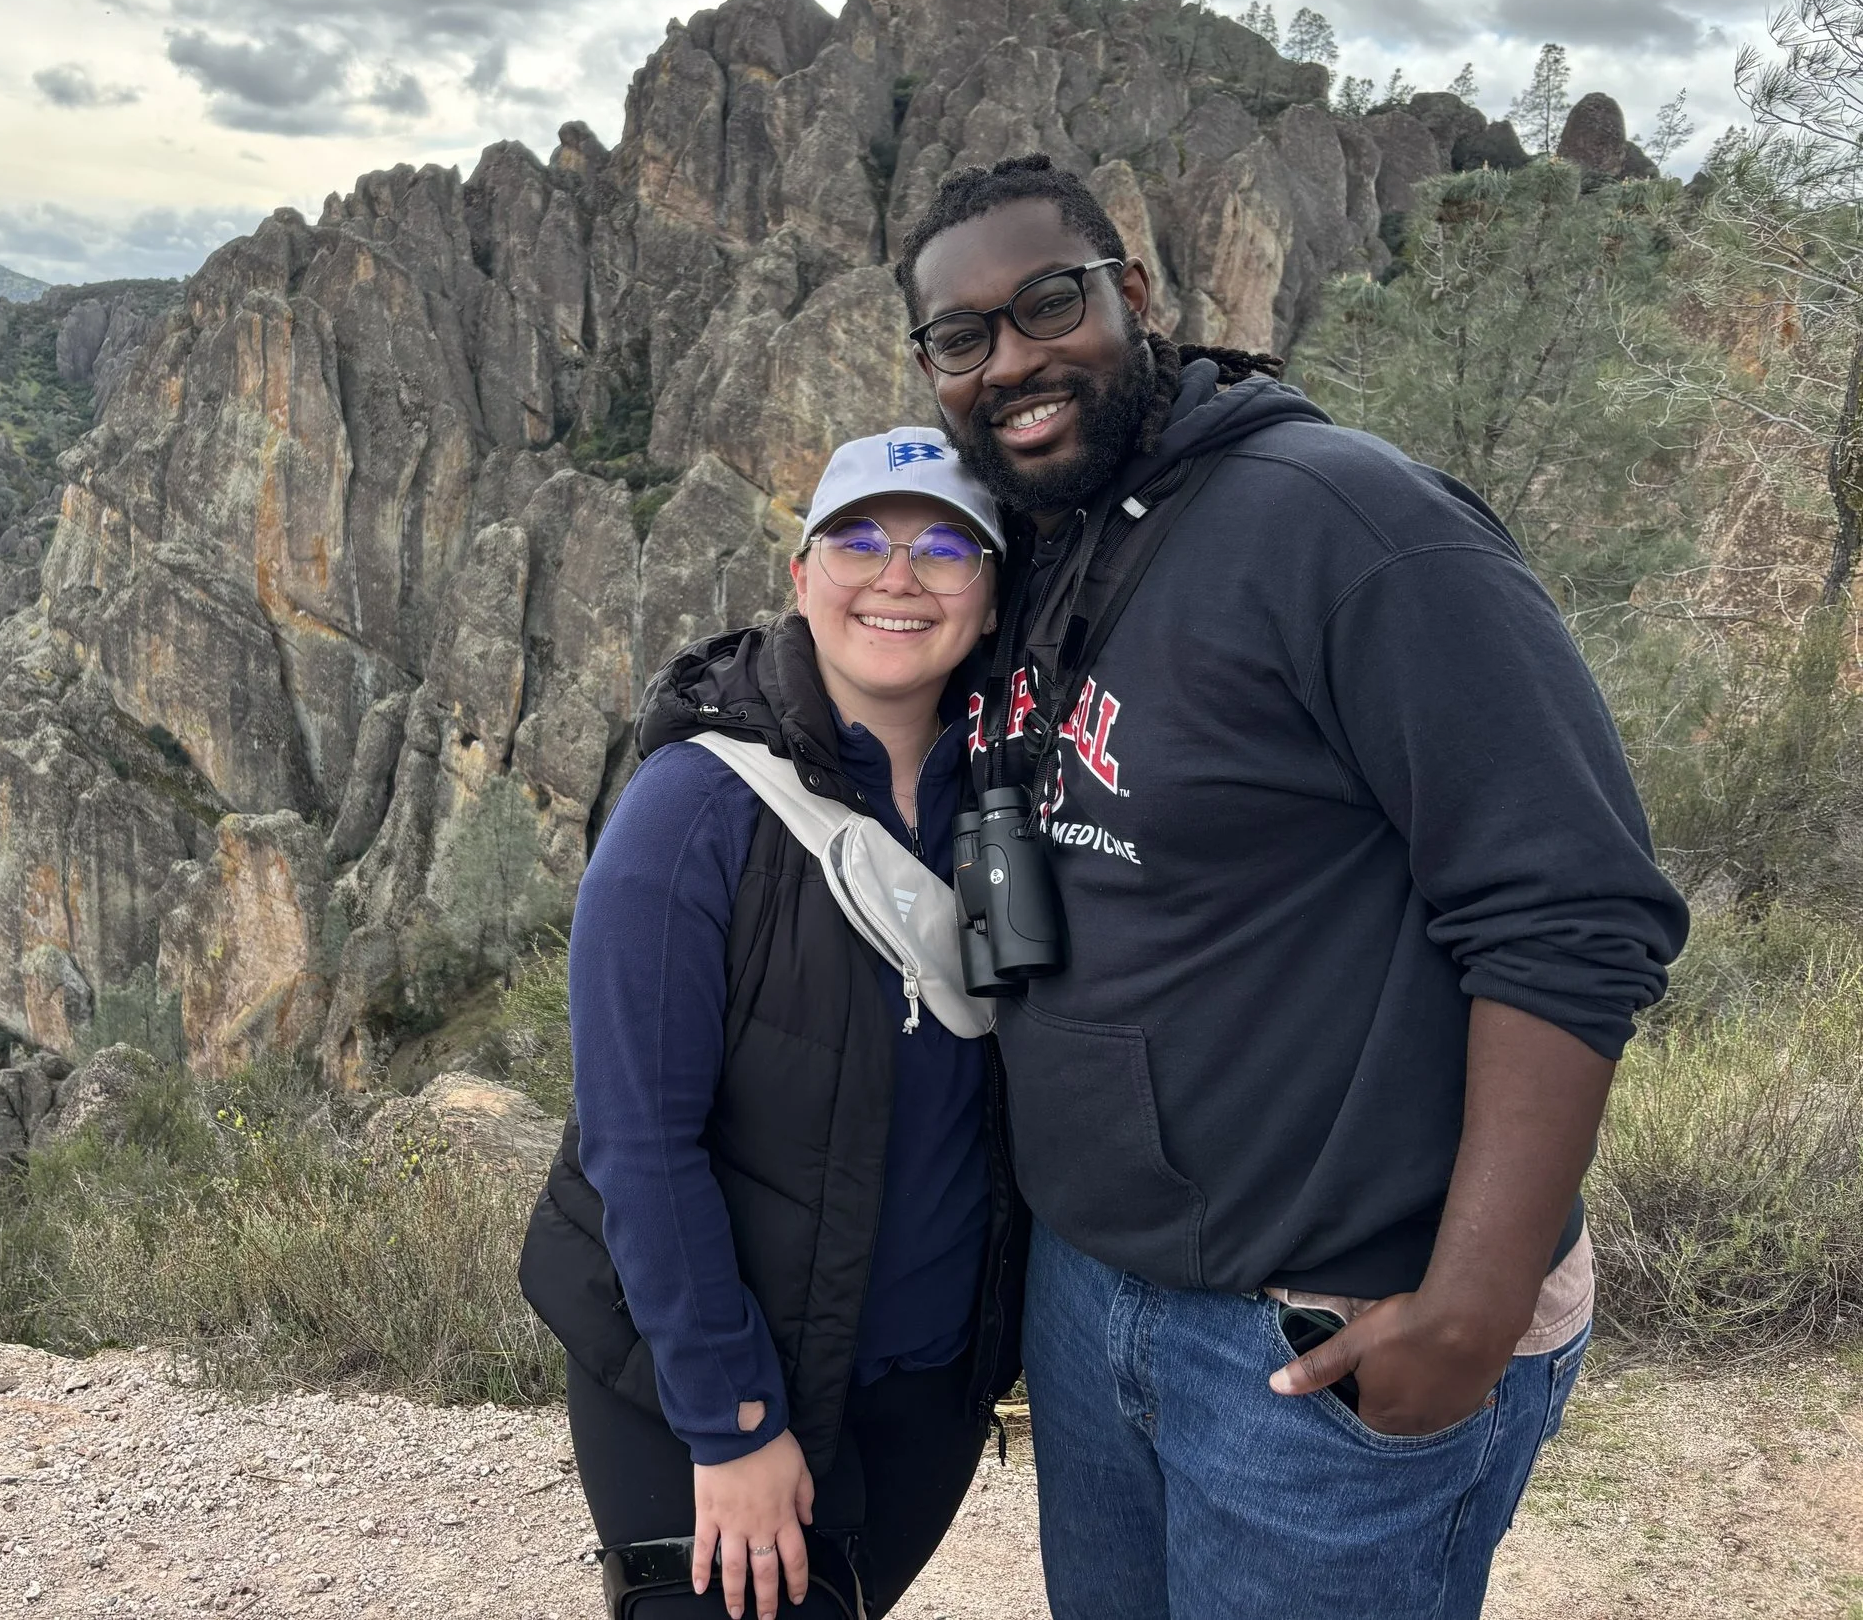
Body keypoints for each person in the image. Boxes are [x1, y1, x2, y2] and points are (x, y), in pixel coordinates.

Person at [893, 153, 1691, 1620]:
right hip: (1093, 1295)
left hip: (1316, 1332)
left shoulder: (1349, 523)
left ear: (1133, 294)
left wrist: (1472, 1303)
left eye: (1047, 304)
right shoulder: (1046, 550)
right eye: (962, 336)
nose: (1011, 360)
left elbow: (1575, 906)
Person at [521, 426, 1029, 1620]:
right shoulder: (693, 809)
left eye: (944, 548)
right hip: (708, 1386)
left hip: (919, 1385)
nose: (897, 576)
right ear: (802, 578)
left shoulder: (1008, 794)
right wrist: (734, 1424)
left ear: (992, 596)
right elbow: (637, 1146)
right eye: (857, 539)